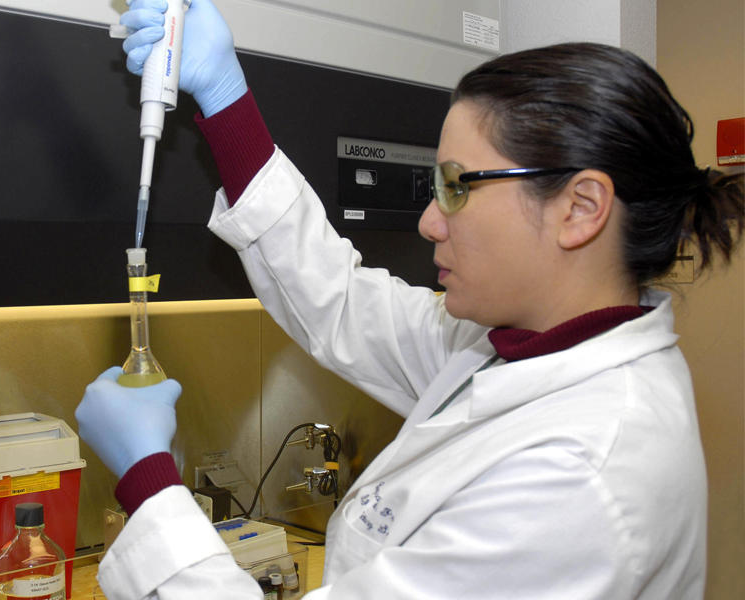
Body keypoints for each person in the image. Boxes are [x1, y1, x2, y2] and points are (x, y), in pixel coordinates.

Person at [75, 0, 745, 598]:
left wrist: (150, 482)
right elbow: (340, 301)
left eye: (456, 186)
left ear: (581, 208)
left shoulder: (580, 480)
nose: (429, 221)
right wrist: (225, 99)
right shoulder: (511, 348)